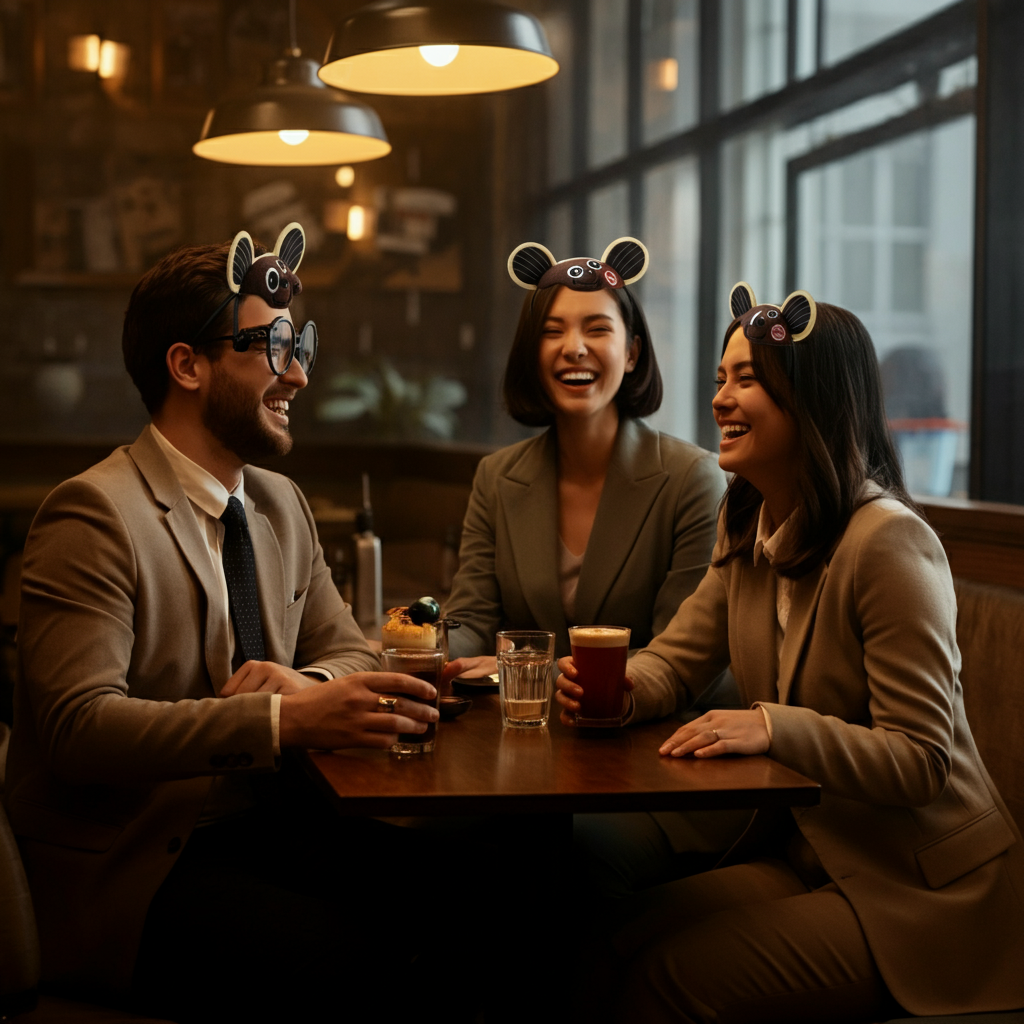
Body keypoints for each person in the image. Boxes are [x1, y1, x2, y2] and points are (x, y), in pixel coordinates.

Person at [4, 226, 441, 1022]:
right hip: (142, 870)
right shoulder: (94, 512)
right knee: (353, 964)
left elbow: (345, 650)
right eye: (274, 346)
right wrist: (276, 721)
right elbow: (77, 728)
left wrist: (304, 686)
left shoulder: (279, 501)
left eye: (297, 344)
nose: (299, 373)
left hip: (273, 827)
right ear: (187, 364)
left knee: (477, 899)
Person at [556, 284, 1024, 1022]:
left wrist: (775, 726)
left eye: (748, 380)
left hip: (922, 890)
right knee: (605, 941)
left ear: (814, 402)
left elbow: (921, 761)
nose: (721, 399)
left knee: (670, 980)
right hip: (816, 855)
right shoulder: (750, 523)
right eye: (721, 378)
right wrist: (610, 689)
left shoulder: (889, 542)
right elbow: (677, 660)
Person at [444, 237, 739, 896]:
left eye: (596, 328)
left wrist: (519, 671)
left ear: (631, 352)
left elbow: (676, 659)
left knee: (548, 863)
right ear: (532, 354)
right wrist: (422, 654)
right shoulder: (497, 477)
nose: (574, 347)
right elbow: (470, 622)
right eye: (552, 331)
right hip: (532, 768)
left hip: (658, 775)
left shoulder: (692, 479)